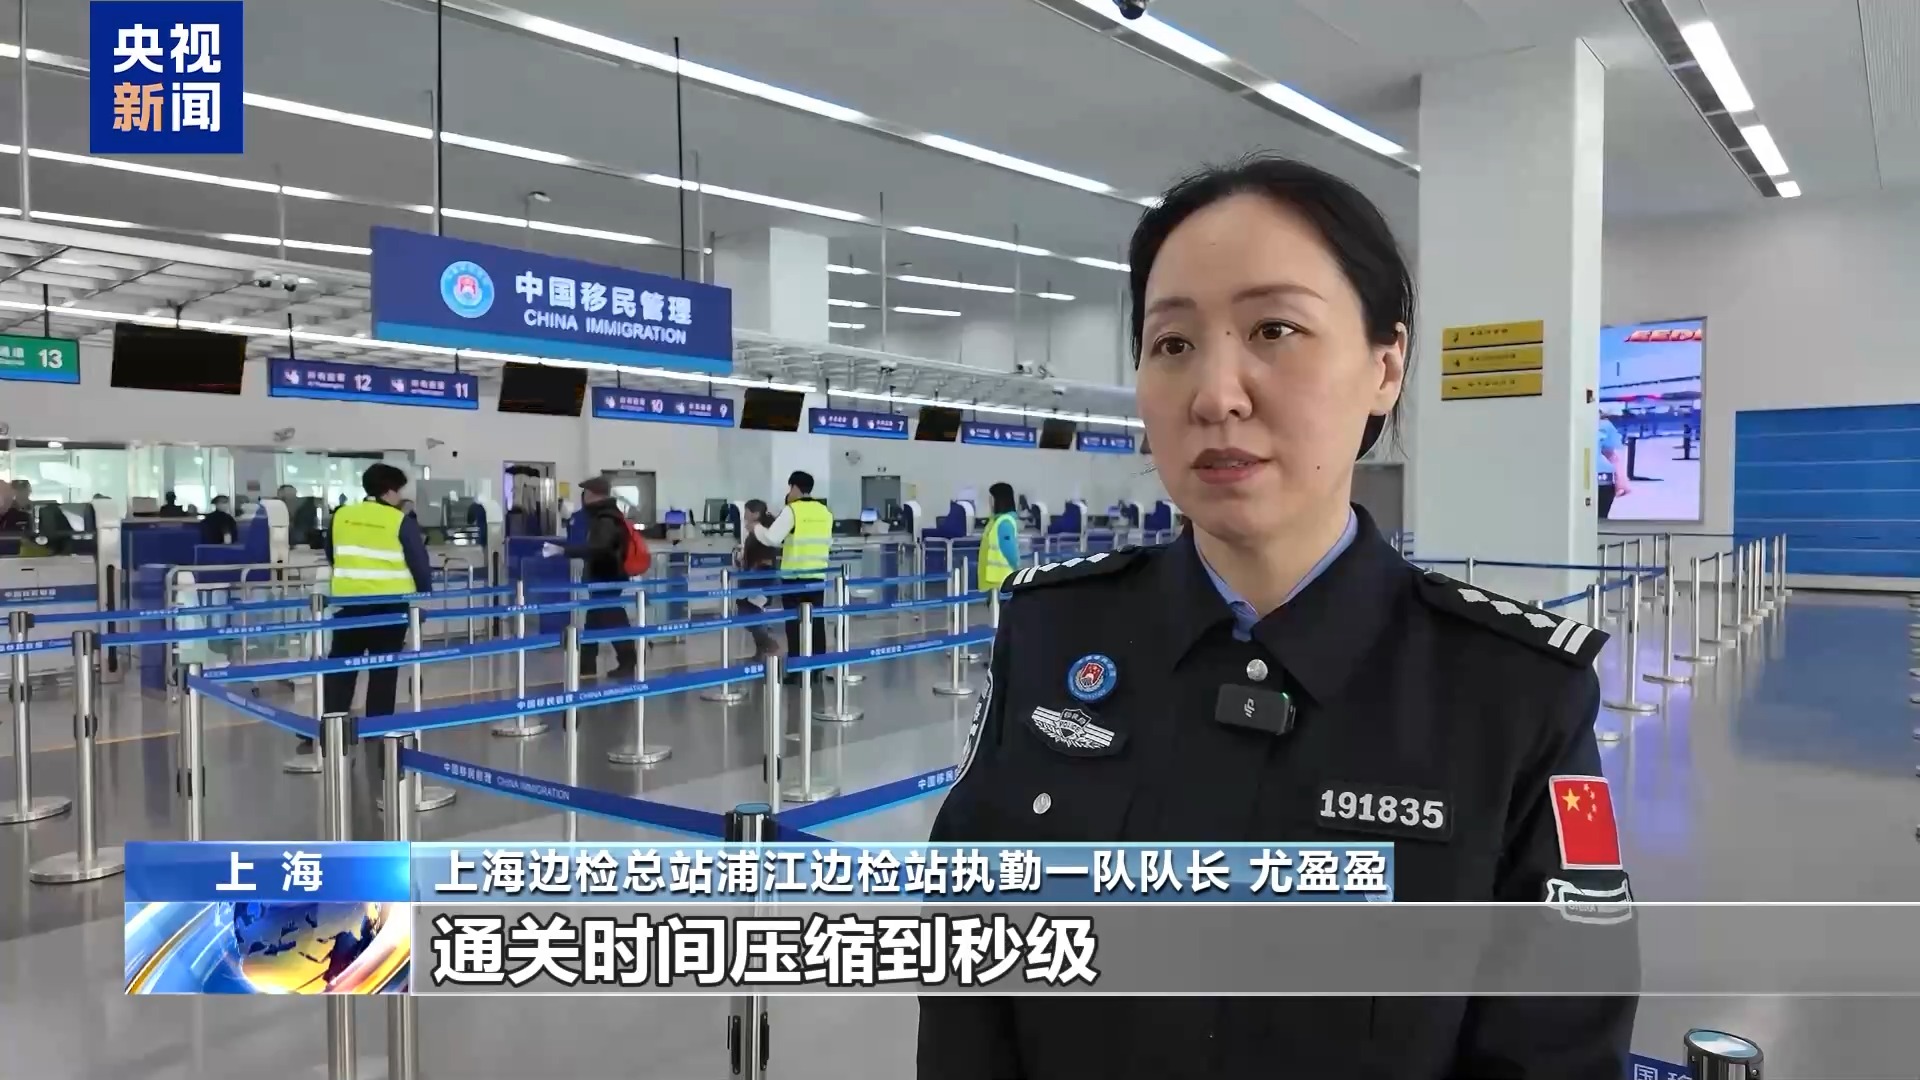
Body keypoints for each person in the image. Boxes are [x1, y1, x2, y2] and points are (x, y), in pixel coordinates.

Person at [918, 157, 1635, 1078]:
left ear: (1385, 367)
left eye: (1275, 329)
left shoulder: (1516, 696)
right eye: (1172, 343)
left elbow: (1559, 1048)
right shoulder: (1054, 634)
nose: (1216, 394)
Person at [296, 464, 433, 765]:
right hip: (390, 609)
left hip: (350, 605)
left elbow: (332, 554)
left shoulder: (342, 515)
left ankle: (332, 724)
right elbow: (420, 565)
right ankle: (376, 729)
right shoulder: (399, 520)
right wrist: (423, 600)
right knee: (383, 671)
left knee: (341, 669)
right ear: (389, 491)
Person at [544, 476, 638, 680]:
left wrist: (564, 551)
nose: (583, 497)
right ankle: (588, 667)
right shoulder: (603, 516)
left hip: (606, 576)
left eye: (586, 493)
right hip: (604, 576)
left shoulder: (606, 519)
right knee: (596, 620)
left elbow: (598, 549)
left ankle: (627, 662)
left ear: (594, 495)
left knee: (613, 619)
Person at [753, 470, 832, 681]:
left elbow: (772, 538)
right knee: (816, 622)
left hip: (795, 578)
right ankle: (817, 668)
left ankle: (797, 670)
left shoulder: (792, 510)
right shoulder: (824, 511)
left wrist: (756, 528)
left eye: (790, 488)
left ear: (795, 487)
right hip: (817, 576)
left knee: (794, 624)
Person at [734, 499, 783, 660]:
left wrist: (753, 568)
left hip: (760, 579)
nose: (744, 515)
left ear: (755, 514)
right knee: (747, 610)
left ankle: (769, 645)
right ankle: (762, 648)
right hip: (752, 578)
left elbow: (766, 557)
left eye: (747, 512)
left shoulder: (762, 532)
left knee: (751, 611)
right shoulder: (755, 531)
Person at [977, 482, 1021, 592]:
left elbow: (1010, 551)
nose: (990, 502)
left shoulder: (1004, 522)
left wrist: (1017, 571)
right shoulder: (994, 521)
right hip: (991, 580)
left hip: (1000, 581)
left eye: (992, 498)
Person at [1597, 413, 1630, 519]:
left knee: (1598, 521)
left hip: (1600, 481)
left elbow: (1611, 454)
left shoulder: (1603, 425)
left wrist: (1621, 479)